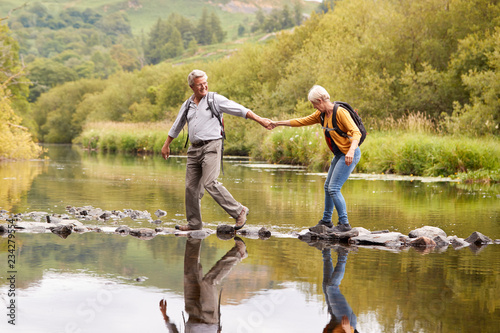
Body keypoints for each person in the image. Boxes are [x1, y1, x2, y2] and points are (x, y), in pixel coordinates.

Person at [162, 69, 271, 231]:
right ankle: (194, 223)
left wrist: (260, 119)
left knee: (210, 182)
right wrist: (166, 144)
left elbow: (239, 109)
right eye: (200, 84)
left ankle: (239, 210)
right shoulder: (187, 105)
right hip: (193, 149)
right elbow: (177, 125)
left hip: (212, 146)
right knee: (191, 187)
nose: (204, 86)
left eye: (205, 83)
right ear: (192, 86)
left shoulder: (215, 99)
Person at [268, 85, 361, 232]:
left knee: (334, 188)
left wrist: (351, 150)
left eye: (314, 104)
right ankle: (326, 221)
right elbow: (301, 121)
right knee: (327, 187)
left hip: (349, 154)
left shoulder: (340, 112)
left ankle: (344, 224)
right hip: (340, 154)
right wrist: (277, 123)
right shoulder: (322, 115)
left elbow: (356, 132)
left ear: (320, 100)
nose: (314, 108)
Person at [159, 236, 248, 332]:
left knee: (190, 272)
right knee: (208, 282)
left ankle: (194, 236)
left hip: (192, 313)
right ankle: (238, 253)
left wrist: (165, 315)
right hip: (209, 320)